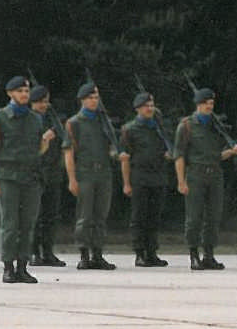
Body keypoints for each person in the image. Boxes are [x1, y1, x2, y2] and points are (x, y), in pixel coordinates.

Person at [0, 76, 55, 283]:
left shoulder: (35, 119)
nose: (24, 94)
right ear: (10, 94)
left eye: (26, 91)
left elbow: (38, 150)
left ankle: (23, 266)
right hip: (8, 177)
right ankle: (8, 267)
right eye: (20, 91)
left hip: (31, 177)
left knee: (27, 224)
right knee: (9, 224)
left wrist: (45, 142)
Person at [173, 87, 237, 270]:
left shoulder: (215, 126)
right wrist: (181, 181)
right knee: (194, 217)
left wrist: (231, 152)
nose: (209, 106)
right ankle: (194, 254)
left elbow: (216, 155)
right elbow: (179, 155)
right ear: (198, 104)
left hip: (215, 174)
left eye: (211, 103)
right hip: (195, 174)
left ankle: (209, 254)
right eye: (205, 103)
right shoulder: (187, 125)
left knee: (213, 217)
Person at [65, 81, 120, 270]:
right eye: (90, 97)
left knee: (100, 215)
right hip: (85, 172)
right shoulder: (74, 123)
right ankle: (84, 254)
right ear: (82, 100)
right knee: (85, 215)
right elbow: (69, 153)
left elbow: (111, 144)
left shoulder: (103, 121)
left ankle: (98, 254)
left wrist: (115, 152)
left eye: (96, 97)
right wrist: (72, 179)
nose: (94, 101)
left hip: (103, 173)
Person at [119, 92, 172, 267]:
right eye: (146, 106)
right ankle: (139, 253)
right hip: (139, 177)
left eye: (151, 105)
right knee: (139, 216)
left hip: (158, 177)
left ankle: (152, 252)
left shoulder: (158, 127)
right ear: (138, 109)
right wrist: (126, 183)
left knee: (154, 216)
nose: (150, 109)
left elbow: (167, 149)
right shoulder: (130, 129)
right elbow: (125, 157)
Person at [29, 84, 71, 267]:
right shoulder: (28, 120)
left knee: (51, 215)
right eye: (40, 102)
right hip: (35, 172)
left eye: (46, 101)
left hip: (52, 172)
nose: (44, 105)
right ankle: (32, 252)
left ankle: (47, 251)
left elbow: (63, 140)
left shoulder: (52, 120)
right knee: (35, 216)